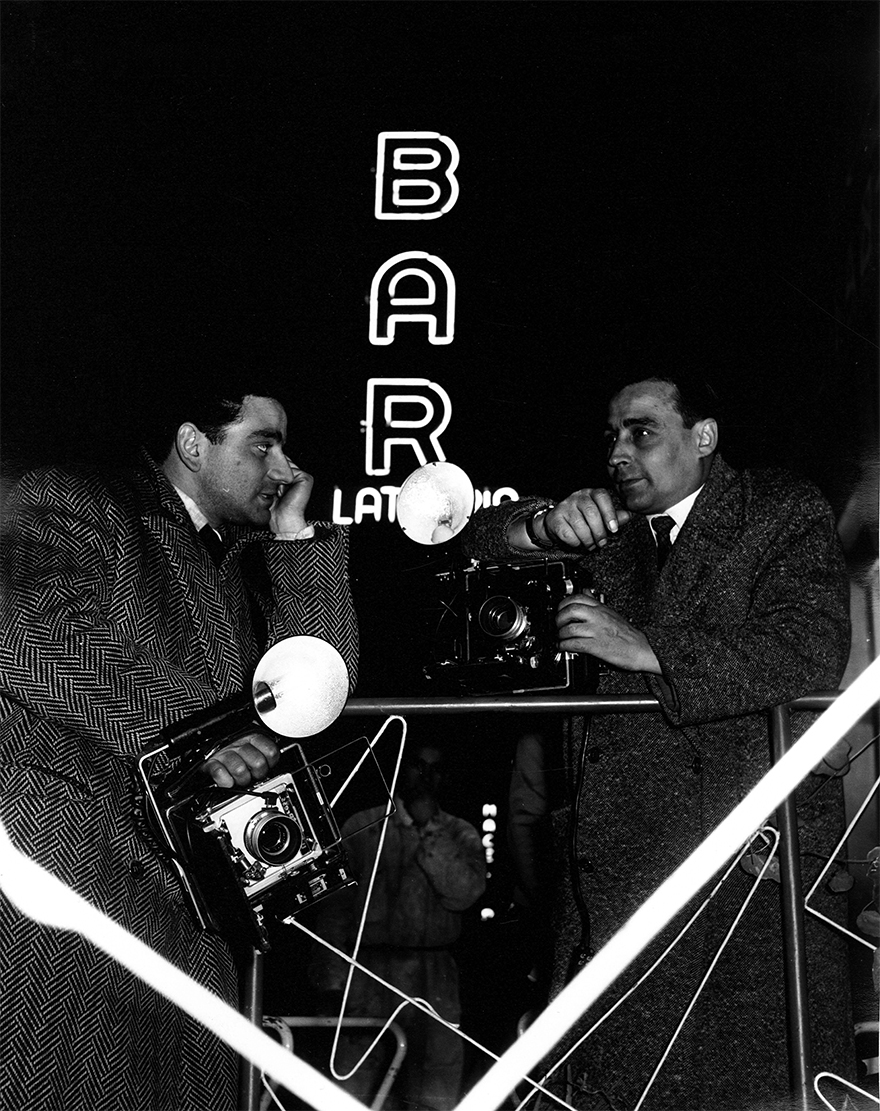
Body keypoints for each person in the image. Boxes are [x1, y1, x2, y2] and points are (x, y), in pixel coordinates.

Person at [462, 375, 854, 1110]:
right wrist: (540, 526)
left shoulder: (778, 511)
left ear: (703, 437)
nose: (617, 451)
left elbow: (806, 649)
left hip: (738, 878)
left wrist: (647, 648)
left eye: (641, 432)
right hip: (613, 876)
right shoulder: (603, 529)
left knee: (749, 1084)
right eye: (611, 435)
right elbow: (471, 545)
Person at [0, 384, 359, 1111]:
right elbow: (28, 634)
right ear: (195, 445)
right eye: (263, 444)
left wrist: (296, 542)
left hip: (191, 912)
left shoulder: (239, 562)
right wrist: (200, 739)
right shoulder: (75, 501)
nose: (286, 467)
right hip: (78, 888)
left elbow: (320, 687)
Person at [308, 740, 486, 1111]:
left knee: (434, 1087)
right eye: (417, 766)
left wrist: (429, 832)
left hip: (433, 976)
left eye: (434, 769)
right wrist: (330, 974)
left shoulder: (460, 833)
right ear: (400, 769)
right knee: (354, 1086)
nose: (424, 777)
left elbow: (464, 895)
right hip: (368, 974)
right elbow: (335, 909)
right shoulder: (362, 826)